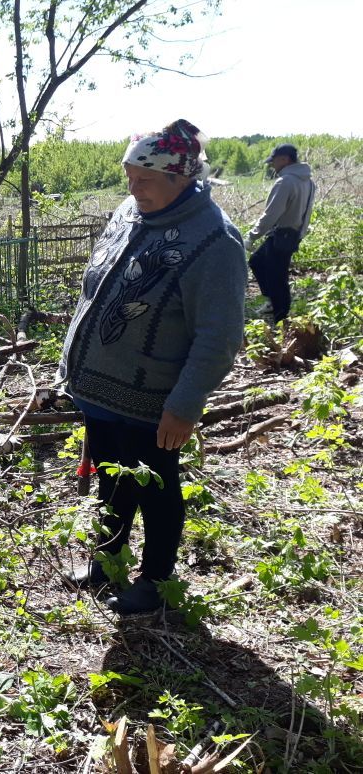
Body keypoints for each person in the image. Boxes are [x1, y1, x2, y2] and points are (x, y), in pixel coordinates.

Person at [57, 119, 247, 615]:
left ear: (181, 178)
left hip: (151, 398)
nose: (132, 188)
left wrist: (184, 406)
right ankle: (108, 560)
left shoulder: (214, 242)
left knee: (155, 486)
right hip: (97, 387)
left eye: (144, 180)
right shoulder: (131, 210)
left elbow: (219, 336)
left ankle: (156, 579)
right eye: (128, 177)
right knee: (108, 477)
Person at [245, 144, 316, 323]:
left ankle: (280, 316)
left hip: (281, 234)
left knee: (277, 277)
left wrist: (252, 236)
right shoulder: (308, 181)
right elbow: (307, 212)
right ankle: (274, 307)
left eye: (274, 161)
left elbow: (271, 214)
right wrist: (300, 234)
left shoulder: (285, 181)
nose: (272, 165)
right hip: (292, 235)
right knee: (259, 262)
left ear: (285, 159)